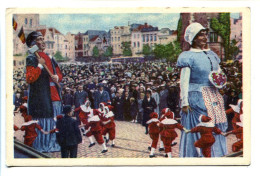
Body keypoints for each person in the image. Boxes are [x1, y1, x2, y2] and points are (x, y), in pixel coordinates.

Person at [177, 22, 228, 157]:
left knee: (215, 125)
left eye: (205, 34)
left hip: (213, 95)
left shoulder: (211, 54)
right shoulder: (188, 56)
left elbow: (218, 73)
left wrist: (221, 83)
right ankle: (196, 156)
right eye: (201, 35)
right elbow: (184, 80)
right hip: (196, 97)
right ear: (193, 38)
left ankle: (216, 154)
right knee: (201, 127)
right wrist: (184, 102)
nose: (205, 37)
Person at [25, 31, 63, 152]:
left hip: (54, 95)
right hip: (41, 96)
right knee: (44, 119)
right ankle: (43, 145)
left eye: (43, 39)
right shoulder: (31, 57)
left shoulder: (50, 58)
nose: (43, 41)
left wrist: (57, 77)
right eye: (40, 39)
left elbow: (58, 72)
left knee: (55, 120)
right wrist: (40, 66)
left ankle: (54, 144)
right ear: (34, 43)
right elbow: (30, 78)